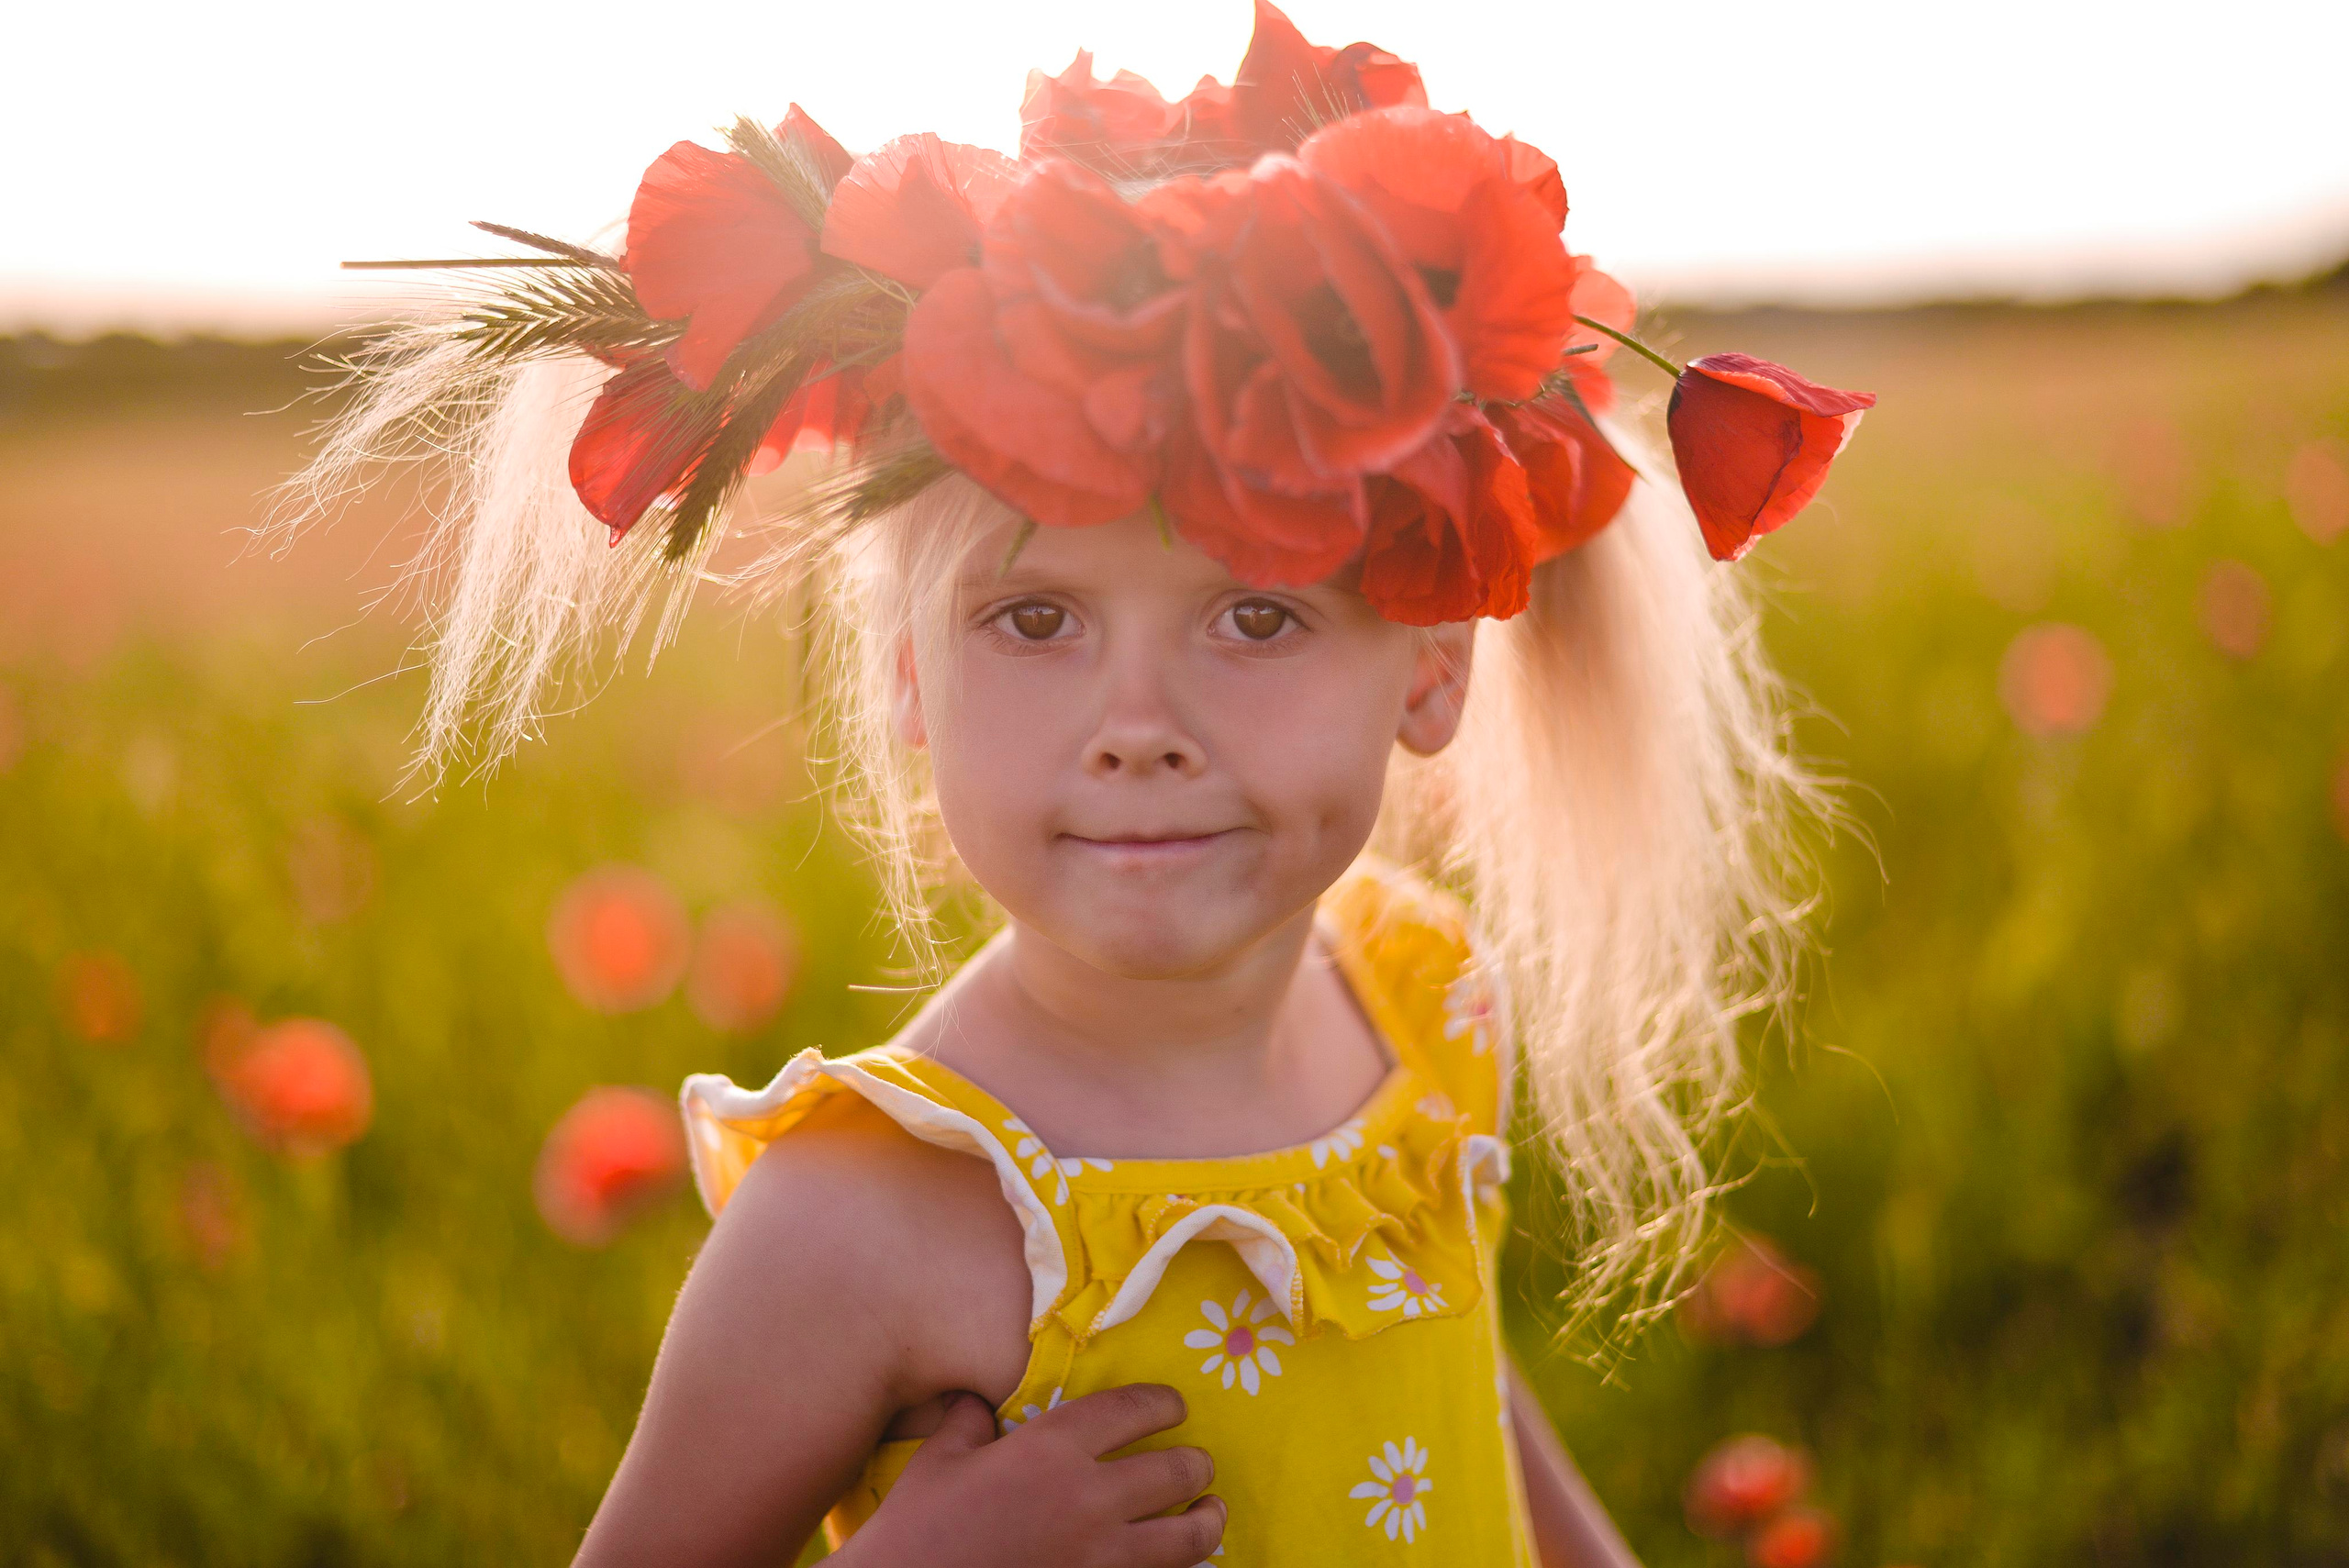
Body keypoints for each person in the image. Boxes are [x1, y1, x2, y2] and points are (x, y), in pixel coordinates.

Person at [283, 6, 1867, 1562]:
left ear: (1431, 665)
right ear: (909, 673)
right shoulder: (865, 1219)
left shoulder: (1420, 1005)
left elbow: (1467, 1399)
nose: (1136, 722)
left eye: (1258, 615)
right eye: (1032, 619)